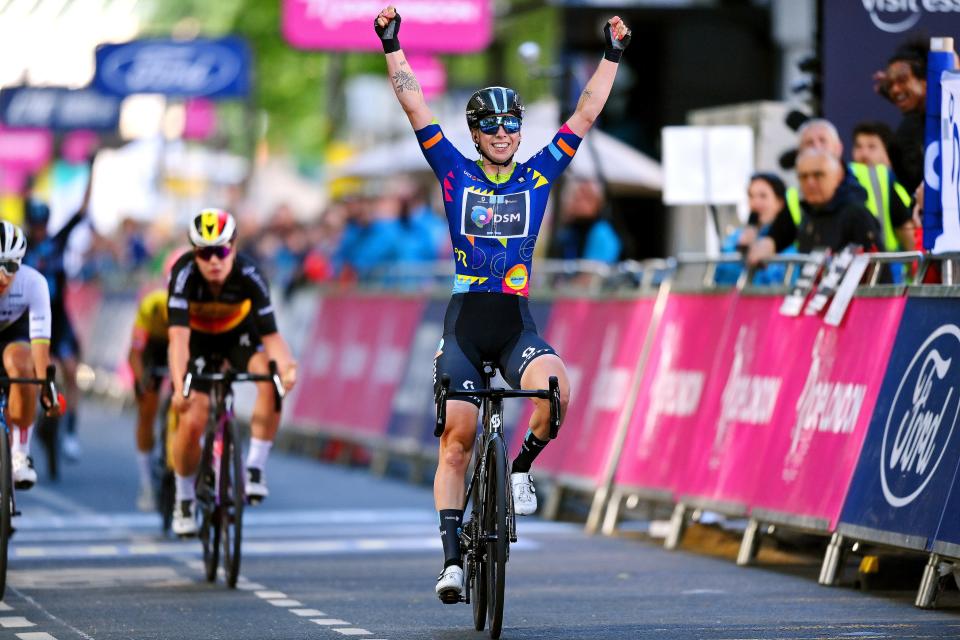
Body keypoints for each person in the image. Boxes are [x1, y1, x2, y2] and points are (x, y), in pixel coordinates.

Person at [375, 4, 630, 602]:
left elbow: (586, 112)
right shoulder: (453, 172)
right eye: (492, 128)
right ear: (475, 135)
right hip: (466, 320)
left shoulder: (539, 174)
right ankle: (451, 560)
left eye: (511, 125)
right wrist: (393, 44)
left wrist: (612, 52)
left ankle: (519, 469)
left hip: (514, 320)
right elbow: (414, 104)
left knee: (556, 389)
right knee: (457, 439)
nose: (504, 135)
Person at [167, 209, 297, 537]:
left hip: (237, 338)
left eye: (221, 250)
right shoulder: (183, 276)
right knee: (193, 416)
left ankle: (253, 468)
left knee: (271, 379)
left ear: (234, 248)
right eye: (204, 253)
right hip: (197, 342)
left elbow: (271, 336)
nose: (214, 260)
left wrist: (286, 366)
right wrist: (179, 384)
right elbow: (178, 340)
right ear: (193, 253)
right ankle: (183, 499)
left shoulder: (250, 274)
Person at [23, 196, 85, 463]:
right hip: (31, 316)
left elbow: (81, 211)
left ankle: (70, 433)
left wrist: (93, 167)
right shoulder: (20, 248)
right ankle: (37, 417)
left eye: (43, 223)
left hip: (58, 317)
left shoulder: (57, 241)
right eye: (35, 224)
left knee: (71, 370)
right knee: (37, 370)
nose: (39, 228)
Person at [790, 119, 913, 254]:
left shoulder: (876, 182)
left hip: (881, 267)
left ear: (838, 176)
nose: (817, 147)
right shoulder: (795, 197)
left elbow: (907, 231)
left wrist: (916, 269)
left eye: (819, 175)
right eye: (809, 143)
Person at [0, 221, 61, 489]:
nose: (3, 276)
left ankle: (20, 455)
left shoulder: (33, 283)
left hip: (15, 336)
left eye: (11, 266)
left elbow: (40, 342)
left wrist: (46, 384)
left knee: (23, 367)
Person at [747, 149, 881, 265]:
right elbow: (777, 237)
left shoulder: (856, 215)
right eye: (803, 177)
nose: (810, 183)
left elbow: (878, 271)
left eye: (818, 175)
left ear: (839, 176)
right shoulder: (807, 212)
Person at [715, 173, 792, 286]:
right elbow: (721, 276)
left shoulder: (788, 239)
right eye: (751, 196)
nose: (755, 202)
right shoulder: (737, 237)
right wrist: (741, 250)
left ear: (779, 202)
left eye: (763, 196)